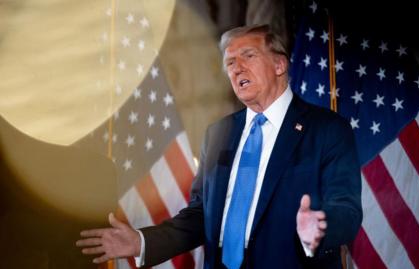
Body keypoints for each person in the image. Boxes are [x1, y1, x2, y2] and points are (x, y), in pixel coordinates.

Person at [77, 24, 362, 269]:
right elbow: (201, 215)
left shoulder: (327, 129)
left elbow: (347, 210)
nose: (237, 68)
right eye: (230, 63)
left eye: (248, 55)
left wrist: (320, 228)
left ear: (279, 64)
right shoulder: (219, 133)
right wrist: (142, 241)